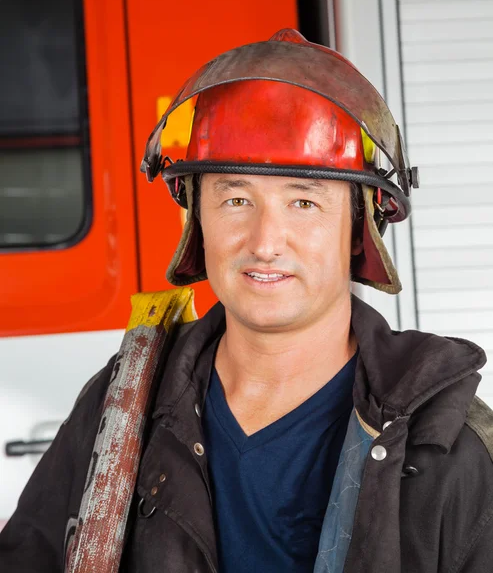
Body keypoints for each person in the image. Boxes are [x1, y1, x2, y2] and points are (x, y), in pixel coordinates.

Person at [1, 28, 492, 573]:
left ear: (359, 230)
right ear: (198, 220)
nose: (263, 241)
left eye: (304, 202)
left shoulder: (450, 446)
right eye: (236, 198)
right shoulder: (123, 406)